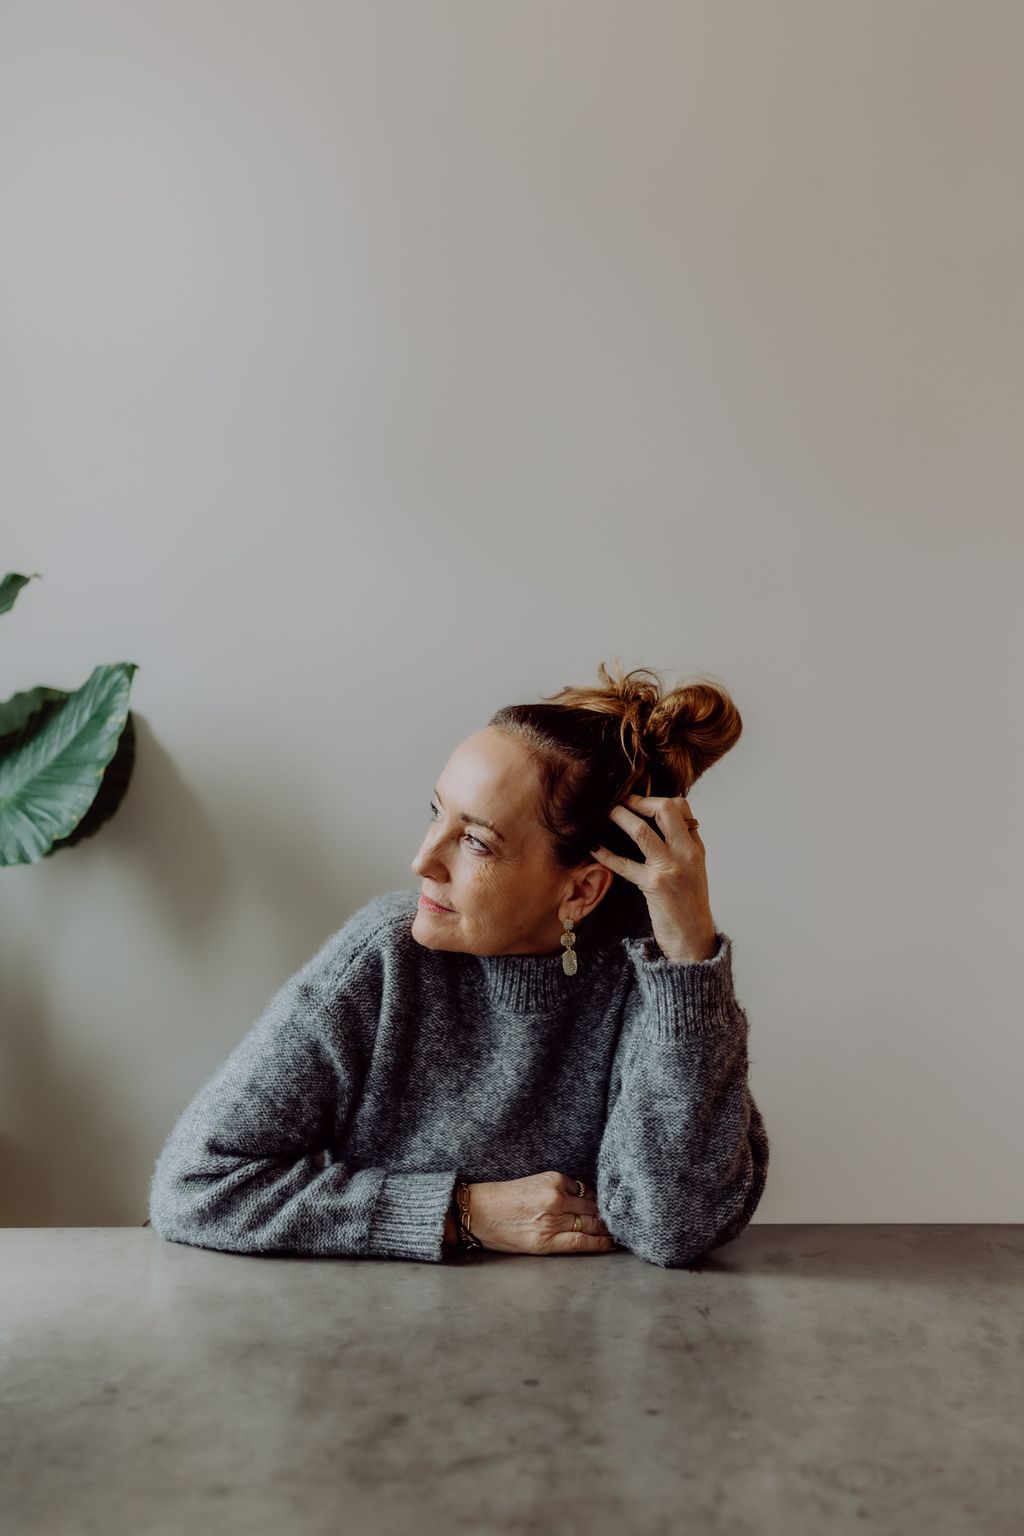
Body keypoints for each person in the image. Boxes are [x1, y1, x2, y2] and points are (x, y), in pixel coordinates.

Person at [147, 660, 769, 1266]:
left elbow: (674, 1226)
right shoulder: (384, 958)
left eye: (475, 840)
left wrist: (689, 966)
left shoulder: (655, 984)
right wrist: (460, 1213)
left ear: (580, 890)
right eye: (435, 813)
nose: (424, 860)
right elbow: (194, 1187)